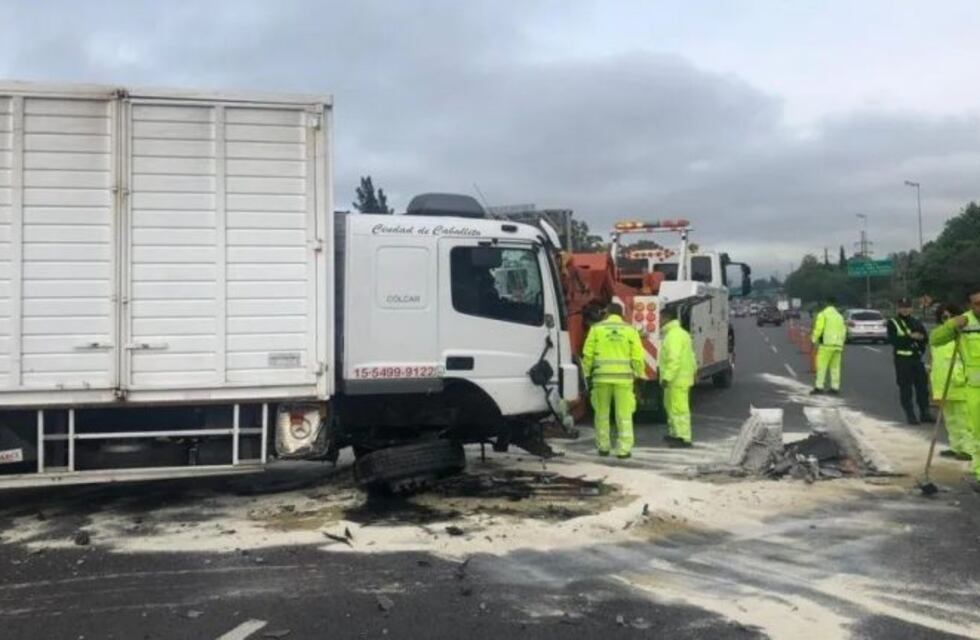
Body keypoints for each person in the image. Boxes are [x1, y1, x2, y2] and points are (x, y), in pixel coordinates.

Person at [930, 288, 980, 492]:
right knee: (978, 434)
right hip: (975, 389)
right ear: (970, 305)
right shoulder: (965, 323)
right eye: (977, 303)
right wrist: (952, 324)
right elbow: (935, 339)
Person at [581, 302, 645, 459]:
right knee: (624, 415)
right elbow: (637, 356)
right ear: (621, 314)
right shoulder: (630, 330)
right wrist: (639, 375)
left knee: (601, 414)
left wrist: (585, 374)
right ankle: (623, 450)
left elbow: (587, 355)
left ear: (606, 313)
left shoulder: (596, 329)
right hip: (624, 380)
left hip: (601, 378)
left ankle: (603, 447)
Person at [930, 303, 970, 459]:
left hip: (959, 385)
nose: (948, 320)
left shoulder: (963, 336)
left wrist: (960, 378)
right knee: (951, 420)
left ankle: (968, 449)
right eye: (944, 317)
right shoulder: (939, 337)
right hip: (943, 386)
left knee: (964, 420)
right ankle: (956, 446)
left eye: (951, 317)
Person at [888, 298, 934, 424]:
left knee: (922, 388)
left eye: (907, 307)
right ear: (898, 308)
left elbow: (924, 338)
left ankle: (925, 413)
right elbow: (894, 341)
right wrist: (910, 337)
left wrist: (919, 341)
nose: (905, 309)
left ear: (911, 308)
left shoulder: (916, 322)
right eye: (902, 307)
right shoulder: (893, 322)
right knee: (906, 389)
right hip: (902, 360)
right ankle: (910, 415)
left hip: (916, 359)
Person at [659, 307, 697, 447]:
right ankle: (675, 434)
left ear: (667, 318)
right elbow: (691, 356)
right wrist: (694, 371)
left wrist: (667, 377)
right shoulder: (682, 334)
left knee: (678, 409)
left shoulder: (672, 336)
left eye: (660, 318)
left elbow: (674, 359)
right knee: (672, 407)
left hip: (675, 380)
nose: (659, 321)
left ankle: (683, 438)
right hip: (681, 378)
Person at [810, 296, 846, 394]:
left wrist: (813, 340)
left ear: (826, 303)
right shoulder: (840, 316)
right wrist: (841, 343)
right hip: (838, 345)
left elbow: (819, 329)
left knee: (822, 366)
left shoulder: (823, 314)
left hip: (826, 345)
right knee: (835, 368)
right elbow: (843, 331)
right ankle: (835, 387)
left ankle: (819, 387)